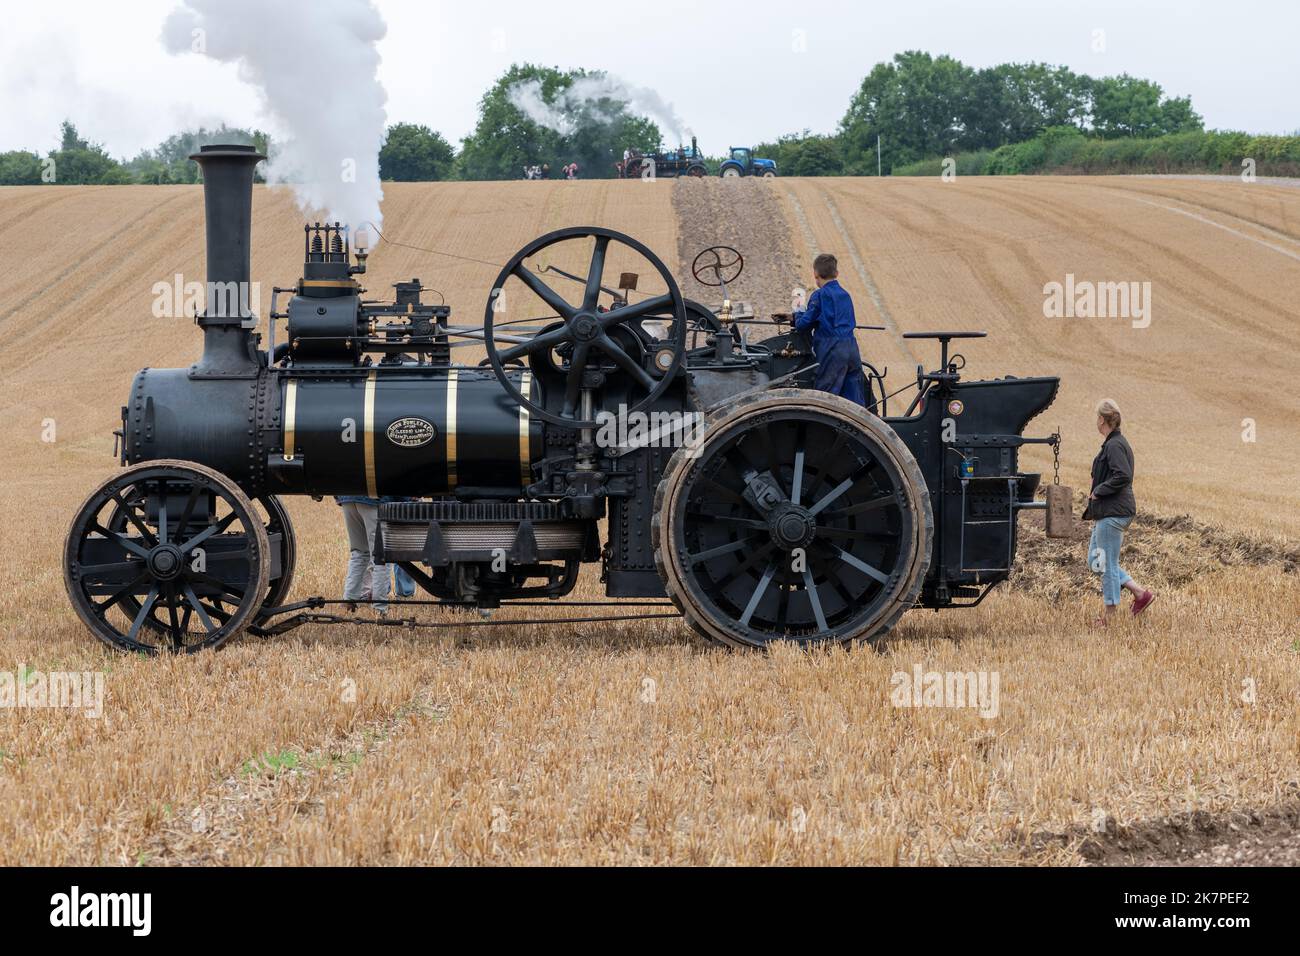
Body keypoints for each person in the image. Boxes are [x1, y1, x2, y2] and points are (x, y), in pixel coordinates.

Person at [1082, 399, 1155, 625]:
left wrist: (1099, 491)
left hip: (1114, 513)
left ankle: (1109, 617)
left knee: (1107, 564)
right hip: (1109, 512)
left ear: (1102, 420)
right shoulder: (1113, 443)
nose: (1096, 421)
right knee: (1096, 561)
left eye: (1097, 418)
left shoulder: (1114, 445)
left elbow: (1123, 475)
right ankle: (1140, 593)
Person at [791, 253, 867, 406]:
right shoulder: (845, 295)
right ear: (836, 273)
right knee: (853, 402)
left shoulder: (820, 295)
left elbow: (803, 325)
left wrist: (798, 313)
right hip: (852, 349)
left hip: (832, 351)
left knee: (825, 401)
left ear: (815, 274)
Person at [335, 495, 390, 615]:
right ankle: (379, 608)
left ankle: (349, 600)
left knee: (359, 553)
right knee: (380, 556)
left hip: (347, 499)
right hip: (373, 499)